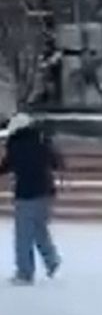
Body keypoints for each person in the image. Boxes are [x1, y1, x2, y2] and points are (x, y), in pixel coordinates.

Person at [0, 113, 62, 284]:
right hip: (46, 192)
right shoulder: (43, 141)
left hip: (26, 193)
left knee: (24, 235)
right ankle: (51, 260)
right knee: (39, 229)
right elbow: (56, 162)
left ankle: (25, 272)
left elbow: (7, 166)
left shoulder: (16, 144)